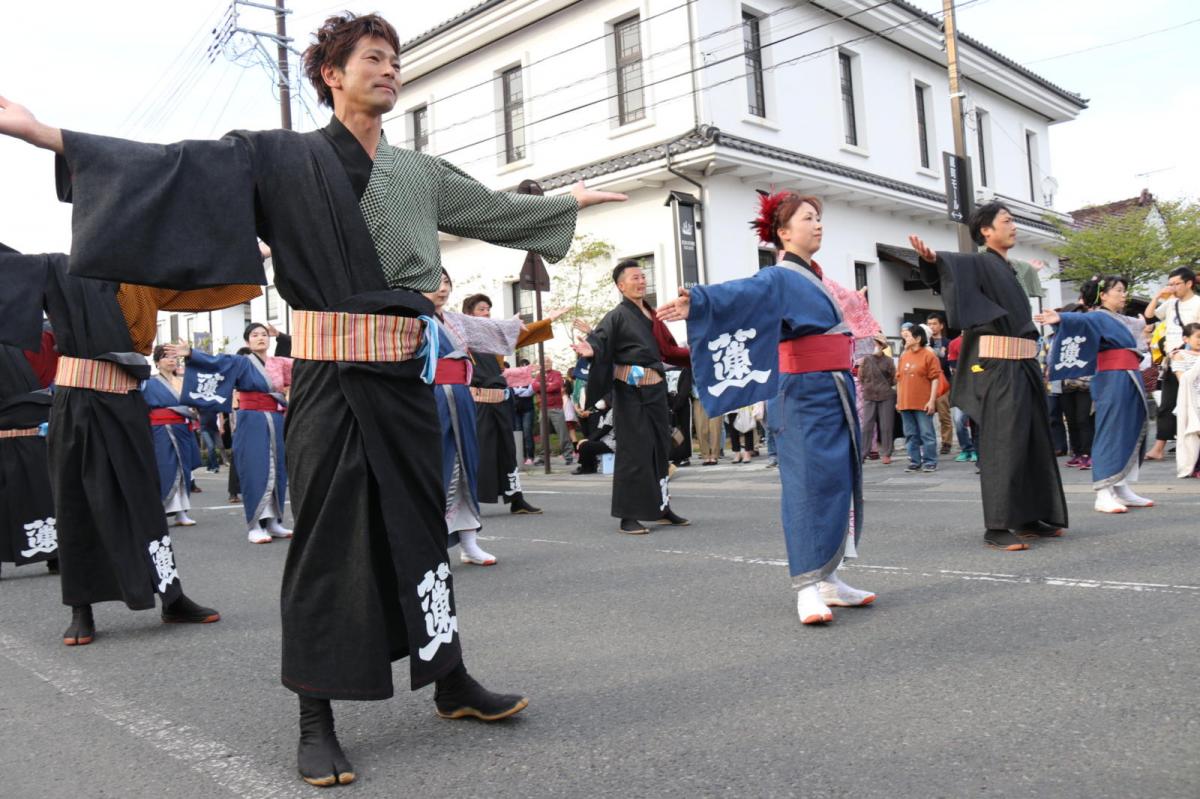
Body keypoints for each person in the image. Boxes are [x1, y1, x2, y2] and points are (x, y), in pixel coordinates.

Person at [0, 11, 628, 787]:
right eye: (373, 56)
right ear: (331, 73)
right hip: (330, 382)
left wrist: (570, 199)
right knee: (328, 545)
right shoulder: (278, 158)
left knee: (422, 532)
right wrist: (49, 135)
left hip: (404, 382)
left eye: (396, 58)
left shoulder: (419, 174)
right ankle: (315, 716)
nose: (390, 68)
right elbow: (175, 168)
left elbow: (500, 211)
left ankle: (451, 676)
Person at [0, 250, 251, 645]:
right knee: (76, 499)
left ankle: (171, 595)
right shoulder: (58, 267)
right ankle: (80, 608)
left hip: (128, 402)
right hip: (77, 403)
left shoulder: (142, 272)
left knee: (144, 500)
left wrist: (255, 246)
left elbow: (200, 271)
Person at [658, 191, 874, 625]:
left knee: (838, 481)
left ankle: (831, 579)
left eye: (819, 218)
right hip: (802, 393)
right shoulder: (778, 277)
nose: (818, 224)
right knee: (807, 485)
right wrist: (698, 301)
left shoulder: (816, 277)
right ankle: (806, 587)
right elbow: (744, 292)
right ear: (783, 232)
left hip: (833, 387)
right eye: (808, 218)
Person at [910, 202, 1067, 551]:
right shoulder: (980, 261)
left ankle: (1029, 516)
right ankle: (997, 526)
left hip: (1024, 364)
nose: (1014, 226)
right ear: (986, 230)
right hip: (998, 367)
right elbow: (951, 264)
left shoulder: (1009, 268)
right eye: (1007, 221)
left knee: (1033, 440)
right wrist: (932, 260)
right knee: (1004, 442)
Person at [574, 260, 689, 534]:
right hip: (630, 392)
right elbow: (600, 339)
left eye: (643, 276)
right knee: (633, 451)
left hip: (655, 390)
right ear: (621, 285)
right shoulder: (617, 315)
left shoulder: (651, 314)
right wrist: (591, 348)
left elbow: (669, 350)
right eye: (634, 277)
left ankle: (661, 507)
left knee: (661, 448)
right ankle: (628, 515)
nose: (641, 281)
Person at [424, 272, 524, 565]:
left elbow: (497, 332)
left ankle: (469, 543)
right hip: (429, 400)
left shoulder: (456, 321)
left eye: (446, 283)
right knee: (435, 468)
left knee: (466, 464)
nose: (442, 289)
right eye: (435, 283)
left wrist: (533, 324)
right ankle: (430, 545)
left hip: (462, 398)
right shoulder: (412, 320)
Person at [165, 324, 292, 544]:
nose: (260, 338)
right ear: (247, 342)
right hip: (252, 419)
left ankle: (274, 522)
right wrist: (191, 353)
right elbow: (216, 362)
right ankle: (255, 525)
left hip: (276, 420)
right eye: (255, 335)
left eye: (264, 334)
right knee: (256, 468)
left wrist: (281, 335)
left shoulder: (278, 363)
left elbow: (303, 362)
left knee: (278, 468)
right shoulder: (241, 362)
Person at [1037, 276, 1153, 513]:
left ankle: (1121, 487)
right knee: (1111, 428)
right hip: (1112, 378)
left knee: (1131, 426)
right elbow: (1082, 320)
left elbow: (1142, 325)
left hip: (1130, 374)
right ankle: (1103, 491)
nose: (1124, 295)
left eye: (1124, 290)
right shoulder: (1097, 316)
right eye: (1119, 290)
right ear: (1104, 295)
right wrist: (1060, 317)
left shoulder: (1121, 319)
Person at [461, 292, 563, 514]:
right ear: (468, 314)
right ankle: (469, 502)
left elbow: (519, 335)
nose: (487, 312)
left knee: (508, 451)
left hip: (501, 403)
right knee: (481, 452)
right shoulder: (461, 337)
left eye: (488, 309)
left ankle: (516, 499)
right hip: (478, 405)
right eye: (481, 309)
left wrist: (548, 320)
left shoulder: (494, 337)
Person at [0, 338, 58, 579]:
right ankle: (56, 555)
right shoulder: (41, 337)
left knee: (43, 496)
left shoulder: (41, 337)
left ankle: (56, 553)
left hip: (34, 429)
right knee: (42, 495)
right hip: (33, 429)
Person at [1144, 267, 1200, 460]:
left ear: (1189, 283)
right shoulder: (1171, 303)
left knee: (1194, 404)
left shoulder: (1198, 303)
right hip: (1171, 360)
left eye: (1176, 283)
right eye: (1171, 284)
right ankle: (1158, 448)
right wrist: (1157, 296)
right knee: (1167, 405)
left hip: (1192, 361)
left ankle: (1192, 448)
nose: (1173, 287)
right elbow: (1149, 316)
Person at [143, 345, 202, 528]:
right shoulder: (148, 383)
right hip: (160, 430)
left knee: (183, 470)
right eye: (166, 357)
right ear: (157, 362)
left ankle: (182, 512)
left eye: (174, 357)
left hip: (182, 429)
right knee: (165, 468)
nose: (171, 360)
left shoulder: (184, 381)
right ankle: (160, 510)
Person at [896, 325, 941, 473]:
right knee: (910, 434)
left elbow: (935, 378)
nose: (905, 338)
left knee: (927, 433)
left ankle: (930, 461)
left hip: (923, 401)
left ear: (918, 338)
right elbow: (899, 379)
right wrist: (898, 400)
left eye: (908, 335)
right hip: (905, 402)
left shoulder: (929, 355)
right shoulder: (904, 355)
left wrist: (932, 400)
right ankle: (914, 461)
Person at [858, 334, 896, 465]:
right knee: (867, 425)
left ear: (881, 346)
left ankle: (887, 453)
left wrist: (883, 386)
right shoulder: (865, 360)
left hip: (886, 395)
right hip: (869, 395)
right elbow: (861, 376)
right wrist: (869, 386)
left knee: (886, 425)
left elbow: (893, 378)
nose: (874, 346)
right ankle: (863, 453)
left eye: (877, 344)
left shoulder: (889, 361)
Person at [1171, 323, 1200, 478]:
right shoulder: (1179, 355)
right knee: (1192, 434)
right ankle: (1193, 466)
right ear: (1185, 339)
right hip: (1190, 400)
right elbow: (1182, 379)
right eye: (1197, 337)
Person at [532, 357, 573, 465]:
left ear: (551, 363)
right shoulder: (538, 375)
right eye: (544, 362)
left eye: (548, 362)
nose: (546, 364)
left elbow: (555, 386)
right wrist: (547, 385)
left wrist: (542, 386)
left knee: (562, 432)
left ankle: (568, 456)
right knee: (543, 434)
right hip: (543, 408)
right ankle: (543, 457)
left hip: (556, 408)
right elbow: (534, 387)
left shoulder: (557, 373)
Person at [926, 312, 954, 454]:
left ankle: (947, 442)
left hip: (943, 382)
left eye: (934, 323)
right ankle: (928, 443)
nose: (932, 326)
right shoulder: (924, 342)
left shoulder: (948, 343)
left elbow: (948, 362)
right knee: (926, 415)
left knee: (944, 415)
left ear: (941, 325)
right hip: (927, 384)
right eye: (929, 324)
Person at [946, 334, 977, 462]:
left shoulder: (980, 339)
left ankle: (977, 449)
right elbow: (953, 366)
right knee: (958, 420)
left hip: (977, 387)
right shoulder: (954, 343)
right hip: (962, 387)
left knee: (977, 422)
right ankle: (966, 448)